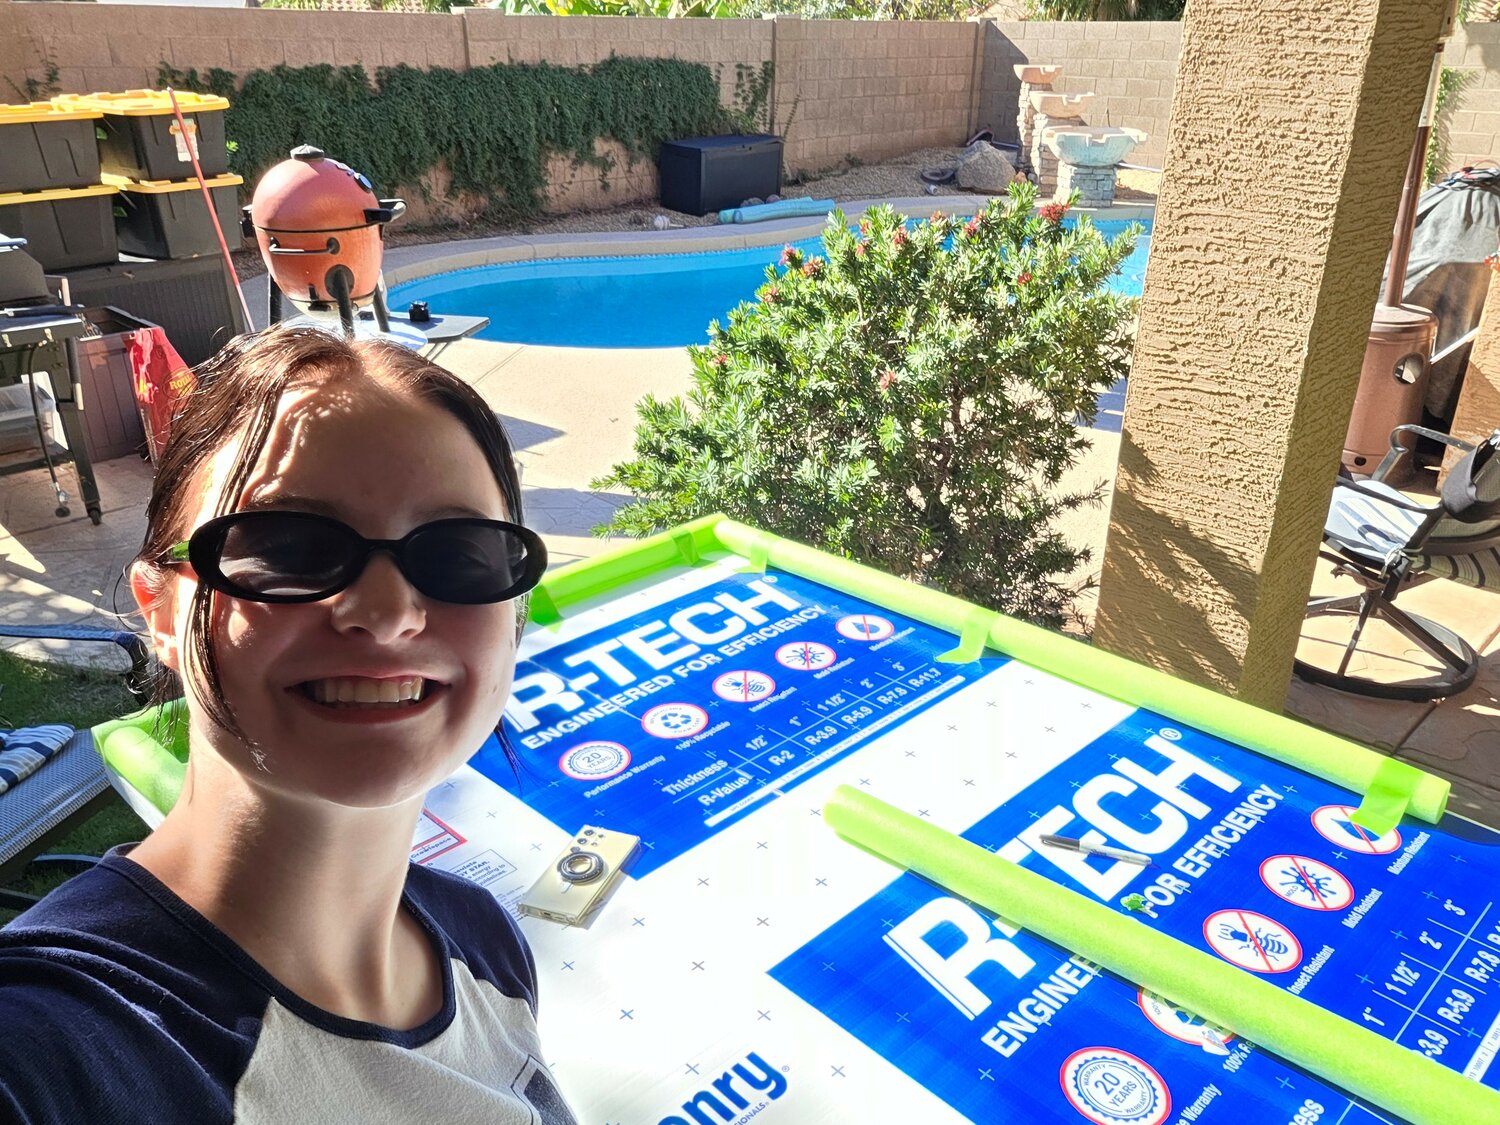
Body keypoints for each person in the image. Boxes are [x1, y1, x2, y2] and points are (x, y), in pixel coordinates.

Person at [0, 327, 578, 1124]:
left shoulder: (486, 942)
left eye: (459, 551)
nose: (387, 613)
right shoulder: (59, 1049)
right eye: (287, 547)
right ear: (159, 609)